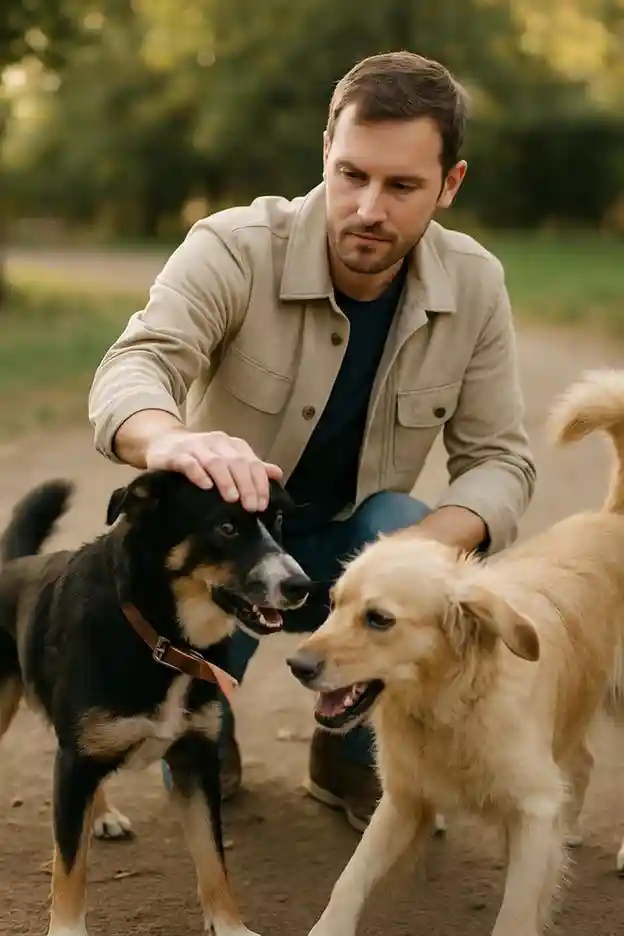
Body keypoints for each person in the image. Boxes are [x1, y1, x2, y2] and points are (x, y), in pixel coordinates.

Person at [88, 50, 536, 833]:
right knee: (199, 752)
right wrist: (165, 442)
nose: (369, 207)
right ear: (324, 156)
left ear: (450, 185)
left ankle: (351, 754)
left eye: (402, 186)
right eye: (351, 175)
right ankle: (202, 729)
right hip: (231, 545)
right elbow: (139, 361)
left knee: (397, 519)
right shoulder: (232, 246)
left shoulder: (476, 283)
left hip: (356, 554)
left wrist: (422, 553)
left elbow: (500, 458)